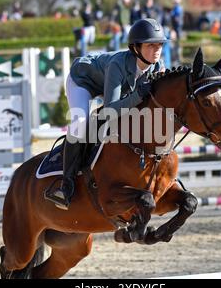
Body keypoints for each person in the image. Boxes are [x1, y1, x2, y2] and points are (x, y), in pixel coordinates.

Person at [45, 18, 168, 210]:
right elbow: (110, 109)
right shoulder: (118, 64)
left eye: (160, 44)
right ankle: (66, 184)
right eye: (151, 45)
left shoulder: (158, 65)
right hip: (83, 80)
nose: (157, 49)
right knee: (81, 122)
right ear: (136, 48)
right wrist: (137, 96)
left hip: (110, 84)